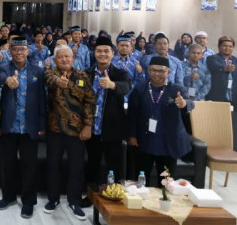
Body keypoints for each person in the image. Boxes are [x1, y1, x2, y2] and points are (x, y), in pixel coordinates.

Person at [0, 37, 46, 219]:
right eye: (15, 49)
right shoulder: (4, 67)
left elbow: (42, 99)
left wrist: (42, 124)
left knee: (29, 166)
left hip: (30, 126)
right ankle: (8, 197)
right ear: (10, 51)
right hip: (10, 126)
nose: (19, 52)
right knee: (7, 164)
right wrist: (8, 81)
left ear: (27, 51)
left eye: (22, 49)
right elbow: (0, 79)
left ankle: (28, 202)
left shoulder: (37, 71)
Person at [43, 44, 94, 221]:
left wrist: (88, 125)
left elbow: (89, 101)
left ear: (73, 58)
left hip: (77, 130)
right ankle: (53, 199)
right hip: (55, 129)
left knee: (76, 167)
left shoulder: (82, 76)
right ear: (55, 59)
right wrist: (59, 81)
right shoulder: (50, 73)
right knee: (53, 165)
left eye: (67, 56)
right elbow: (49, 79)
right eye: (60, 57)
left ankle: (75, 201)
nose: (64, 59)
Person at [127, 56, 193, 185]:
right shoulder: (140, 89)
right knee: (141, 180)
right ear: (148, 71)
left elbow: (190, 103)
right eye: (153, 70)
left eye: (161, 71)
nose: (157, 74)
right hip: (145, 141)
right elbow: (132, 113)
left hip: (168, 143)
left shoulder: (176, 90)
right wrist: (132, 135)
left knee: (166, 183)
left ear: (168, 72)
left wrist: (184, 103)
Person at [83, 37, 131, 208]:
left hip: (112, 129)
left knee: (113, 165)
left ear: (112, 53)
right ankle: (91, 196)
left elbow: (126, 87)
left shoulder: (120, 73)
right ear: (94, 53)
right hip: (92, 129)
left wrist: (112, 85)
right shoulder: (87, 73)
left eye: (106, 51)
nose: (102, 54)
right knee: (92, 165)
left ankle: (113, 196)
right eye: (99, 51)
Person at [206, 36, 237, 104]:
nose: (227, 48)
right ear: (219, 46)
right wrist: (225, 68)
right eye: (224, 46)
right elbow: (215, 66)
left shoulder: (235, 60)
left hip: (233, 97)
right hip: (218, 96)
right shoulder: (212, 58)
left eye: (230, 46)